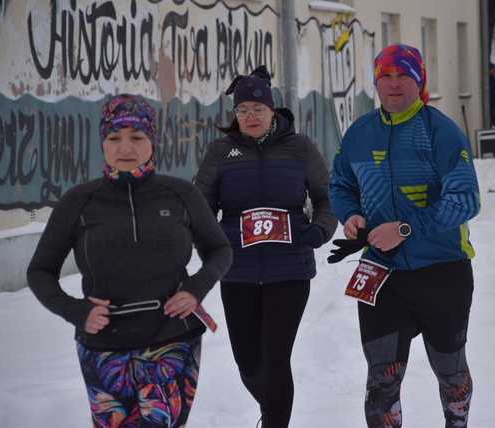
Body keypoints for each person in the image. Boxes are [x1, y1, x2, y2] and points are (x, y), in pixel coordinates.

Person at [27, 94, 232, 427]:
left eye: (137, 137)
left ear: (152, 140)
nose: (126, 148)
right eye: (114, 138)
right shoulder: (78, 202)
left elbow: (220, 250)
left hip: (172, 341)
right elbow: (40, 271)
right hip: (104, 346)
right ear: (103, 144)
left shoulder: (181, 194)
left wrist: (195, 289)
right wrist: (76, 311)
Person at [329, 44, 480, 428]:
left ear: (419, 81)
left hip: (442, 271)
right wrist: (351, 215)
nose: (394, 85)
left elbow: (465, 200)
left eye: (403, 76)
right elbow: (341, 184)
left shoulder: (440, 131)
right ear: (376, 83)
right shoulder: (360, 134)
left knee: (450, 373)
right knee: (381, 379)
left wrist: (406, 228)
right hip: (382, 275)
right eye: (385, 76)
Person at [195, 65, 337, 428]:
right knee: (247, 362)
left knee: (275, 359)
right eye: (243, 110)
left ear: (273, 111)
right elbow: (201, 209)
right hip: (238, 270)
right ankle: (272, 410)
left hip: (289, 268)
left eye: (258, 109)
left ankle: (274, 422)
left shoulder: (300, 147)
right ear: (235, 114)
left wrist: (318, 231)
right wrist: (212, 247)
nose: (251, 116)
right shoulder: (220, 152)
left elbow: (326, 198)